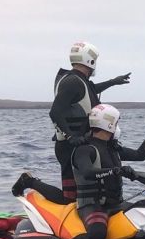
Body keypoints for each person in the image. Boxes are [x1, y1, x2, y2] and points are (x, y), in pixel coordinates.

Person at [62, 104, 145, 239]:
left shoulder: (112, 148)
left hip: (115, 204)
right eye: (116, 123)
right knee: (97, 235)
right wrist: (116, 171)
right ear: (108, 123)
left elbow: (140, 155)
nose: (117, 127)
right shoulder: (84, 149)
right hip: (92, 206)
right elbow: (88, 173)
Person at [49, 42, 132, 203]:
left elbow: (91, 89)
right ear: (90, 61)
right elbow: (55, 112)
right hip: (69, 146)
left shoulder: (79, 81)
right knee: (71, 198)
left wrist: (113, 81)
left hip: (79, 143)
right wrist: (70, 136)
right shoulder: (72, 82)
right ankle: (30, 182)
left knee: (85, 193)